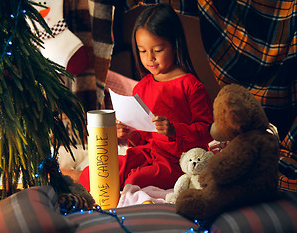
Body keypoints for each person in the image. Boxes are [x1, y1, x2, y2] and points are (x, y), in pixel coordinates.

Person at [64, 4, 214, 191]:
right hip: (148, 153)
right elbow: (143, 135)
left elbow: (208, 131)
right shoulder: (143, 86)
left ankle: (127, 195)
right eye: (143, 51)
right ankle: (79, 176)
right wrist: (130, 134)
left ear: (175, 45)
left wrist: (175, 131)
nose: (149, 58)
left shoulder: (191, 85)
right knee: (107, 168)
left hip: (178, 160)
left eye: (157, 50)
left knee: (137, 179)